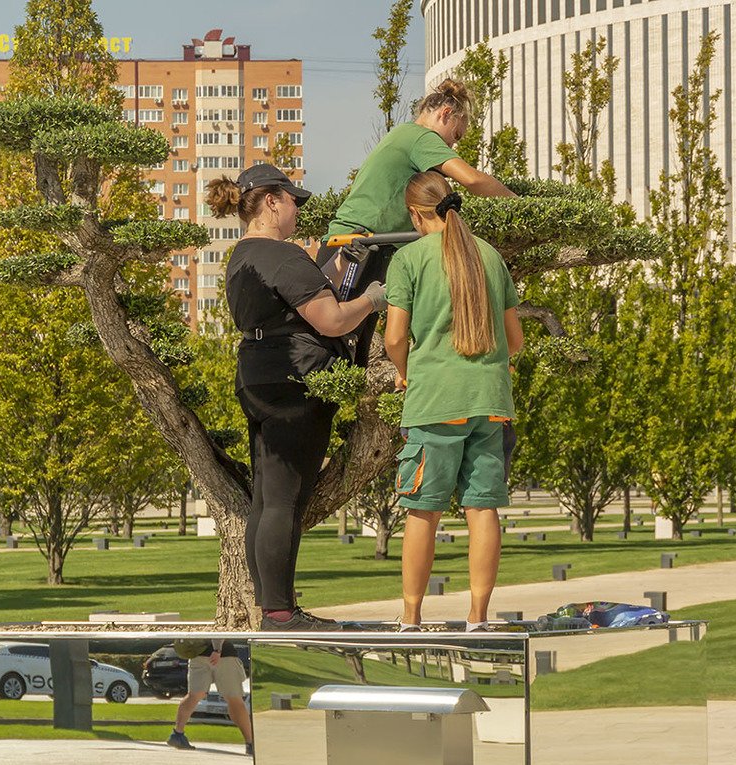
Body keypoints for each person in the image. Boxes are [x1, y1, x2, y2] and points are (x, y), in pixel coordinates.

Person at [206, 164, 386, 632]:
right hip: (299, 379)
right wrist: (372, 298)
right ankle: (281, 615)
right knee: (286, 499)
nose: (296, 211)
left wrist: (337, 267)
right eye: (292, 201)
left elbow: (292, 299)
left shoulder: (243, 256)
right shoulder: (281, 255)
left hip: (258, 375)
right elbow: (331, 320)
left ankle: (270, 606)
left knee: (266, 498)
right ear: (271, 201)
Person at [383, 171, 524, 632]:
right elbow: (516, 341)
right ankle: (478, 617)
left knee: (423, 509)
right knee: (482, 507)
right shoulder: (490, 256)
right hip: (490, 400)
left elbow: (396, 336)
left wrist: (405, 373)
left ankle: (411, 617)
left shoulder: (408, 259)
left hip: (435, 400)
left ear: (416, 214)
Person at [317, 78, 517, 367]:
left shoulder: (404, 137)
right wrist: (518, 202)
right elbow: (472, 179)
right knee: (333, 349)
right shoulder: (421, 138)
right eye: (456, 135)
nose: (452, 144)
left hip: (372, 247)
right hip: (354, 247)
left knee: (355, 353)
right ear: (445, 114)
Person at [167, 640, 253, 754]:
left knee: (194, 695)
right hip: (223, 655)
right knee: (234, 698)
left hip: (197, 654)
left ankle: (177, 733)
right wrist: (217, 650)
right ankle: (250, 743)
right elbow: (218, 628)